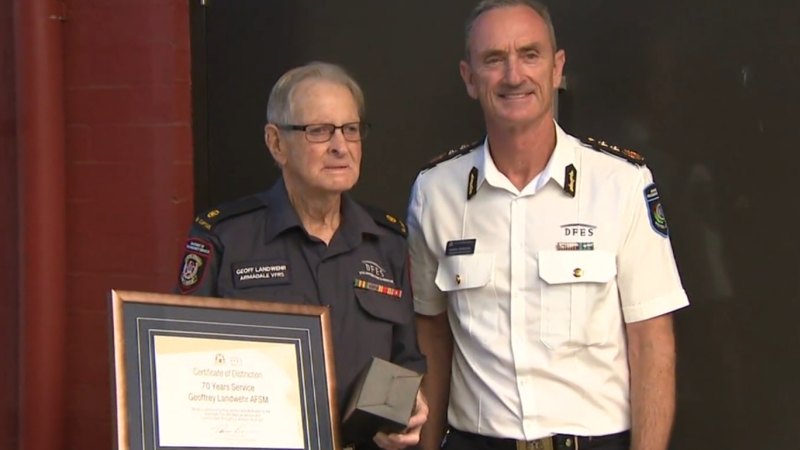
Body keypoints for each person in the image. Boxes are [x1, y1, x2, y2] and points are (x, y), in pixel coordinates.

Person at [406, 2, 689, 450]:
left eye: (530, 55)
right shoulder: (435, 192)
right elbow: (432, 339)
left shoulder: (620, 183)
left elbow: (652, 344)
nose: (514, 75)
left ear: (557, 68)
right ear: (469, 77)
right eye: (494, 59)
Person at [175, 61, 427, 450]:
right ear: (277, 143)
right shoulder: (226, 239)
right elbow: (185, 367)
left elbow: (406, 359)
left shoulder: (387, 241)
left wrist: (408, 411)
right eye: (319, 131)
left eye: (351, 130)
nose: (340, 146)